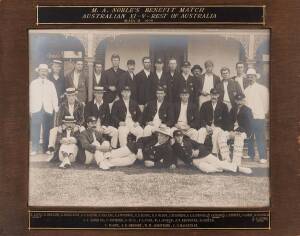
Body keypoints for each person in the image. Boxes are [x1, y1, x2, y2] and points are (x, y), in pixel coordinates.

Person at [172, 130, 252, 174]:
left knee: (218, 163)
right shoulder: (175, 146)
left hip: (204, 155)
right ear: (174, 138)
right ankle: (221, 169)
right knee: (207, 169)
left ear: (182, 136)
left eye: (180, 136)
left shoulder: (188, 141)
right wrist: (172, 144)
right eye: (177, 137)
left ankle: (239, 169)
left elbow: (200, 145)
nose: (179, 138)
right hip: (195, 161)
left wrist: (197, 150)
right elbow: (180, 154)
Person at [217, 93, 254, 165]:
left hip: (243, 132)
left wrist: (237, 131)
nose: (239, 102)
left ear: (244, 101)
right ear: (235, 101)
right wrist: (230, 130)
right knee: (221, 135)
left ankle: (236, 162)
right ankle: (226, 159)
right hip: (233, 131)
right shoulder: (233, 109)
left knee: (238, 137)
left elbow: (248, 125)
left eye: (241, 100)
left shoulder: (248, 110)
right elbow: (229, 122)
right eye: (238, 100)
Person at [30, 64, 58, 155]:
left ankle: (46, 148)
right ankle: (34, 148)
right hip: (36, 109)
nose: (43, 73)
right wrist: (30, 109)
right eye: (41, 71)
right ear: (38, 72)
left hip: (47, 109)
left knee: (47, 130)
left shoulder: (50, 84)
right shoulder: (33, 83)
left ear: (47, 73)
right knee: (35, 129)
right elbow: (30, 97)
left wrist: (56, 108)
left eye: (45, 71)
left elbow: (54, 97)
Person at [47, 87, 85, 155]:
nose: (71, 98)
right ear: (67, 96)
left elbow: (82, 118)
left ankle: (82, 149)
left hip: (75, 125)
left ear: (75, 96)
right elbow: (59, 118)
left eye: (73, 95)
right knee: (53, 130)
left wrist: (78, 125)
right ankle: (51, 147)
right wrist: (60, 126)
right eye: (69, 96)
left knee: (83, 129)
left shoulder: (80, 105)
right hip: (65, 125)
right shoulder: (63, 105)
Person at [244, 68, 269, 164]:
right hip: (249, 118)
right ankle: (251, 155)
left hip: (259, 116)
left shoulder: (262, 88)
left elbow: (266, 102)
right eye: (248, 77)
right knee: (250, 137)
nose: (250, 78)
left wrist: (263, 113)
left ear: (255, 77)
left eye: (252, 76)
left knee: (260, 137)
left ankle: (263, 157)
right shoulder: (246, 90)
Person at [197, 88, 229, 156]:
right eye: (212, 95)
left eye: (215, 95)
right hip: (207, 126)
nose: (214, 97)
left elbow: (226, 120)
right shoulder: (205, 105)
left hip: (217, 127)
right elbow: (201, 118)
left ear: (218, 95)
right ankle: (200, 152)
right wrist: (206, 126)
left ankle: (214, 153)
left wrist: (218, 127)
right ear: (210, 95)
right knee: (200, 132)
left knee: (216, 134)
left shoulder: (223, 106)